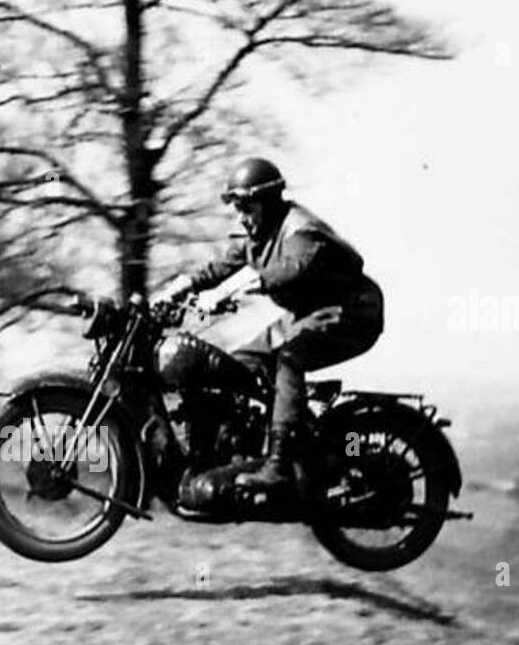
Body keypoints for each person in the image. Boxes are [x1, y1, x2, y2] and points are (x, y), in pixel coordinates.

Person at [156, 157, 384, 498]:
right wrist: (182, 285)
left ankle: (277, 467)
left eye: (246, 206)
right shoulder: (256, 233)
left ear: (268, 200)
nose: (241, 216)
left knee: (290, 359)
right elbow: (222, 266)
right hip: (307, 313)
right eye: (237, 207)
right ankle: (247, 449)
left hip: (350, 311)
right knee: (239, 364)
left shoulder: (301, 230)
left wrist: (232, 291)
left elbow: (294, 268)